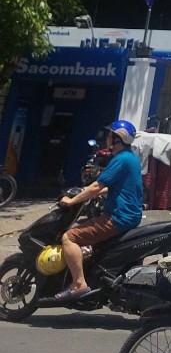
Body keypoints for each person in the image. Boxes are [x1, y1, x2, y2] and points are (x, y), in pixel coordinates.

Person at [55, 119, 143, 301]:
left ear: (117, 138)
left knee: (69, 237)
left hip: (118, 217)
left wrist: (71, 201)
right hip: (130, 215)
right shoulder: (131, 157)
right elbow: (113, 186)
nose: (107, 138)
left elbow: (96, 186)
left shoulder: (121, 159)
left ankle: (79, 284)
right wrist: (88, 192)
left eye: (110, 135)